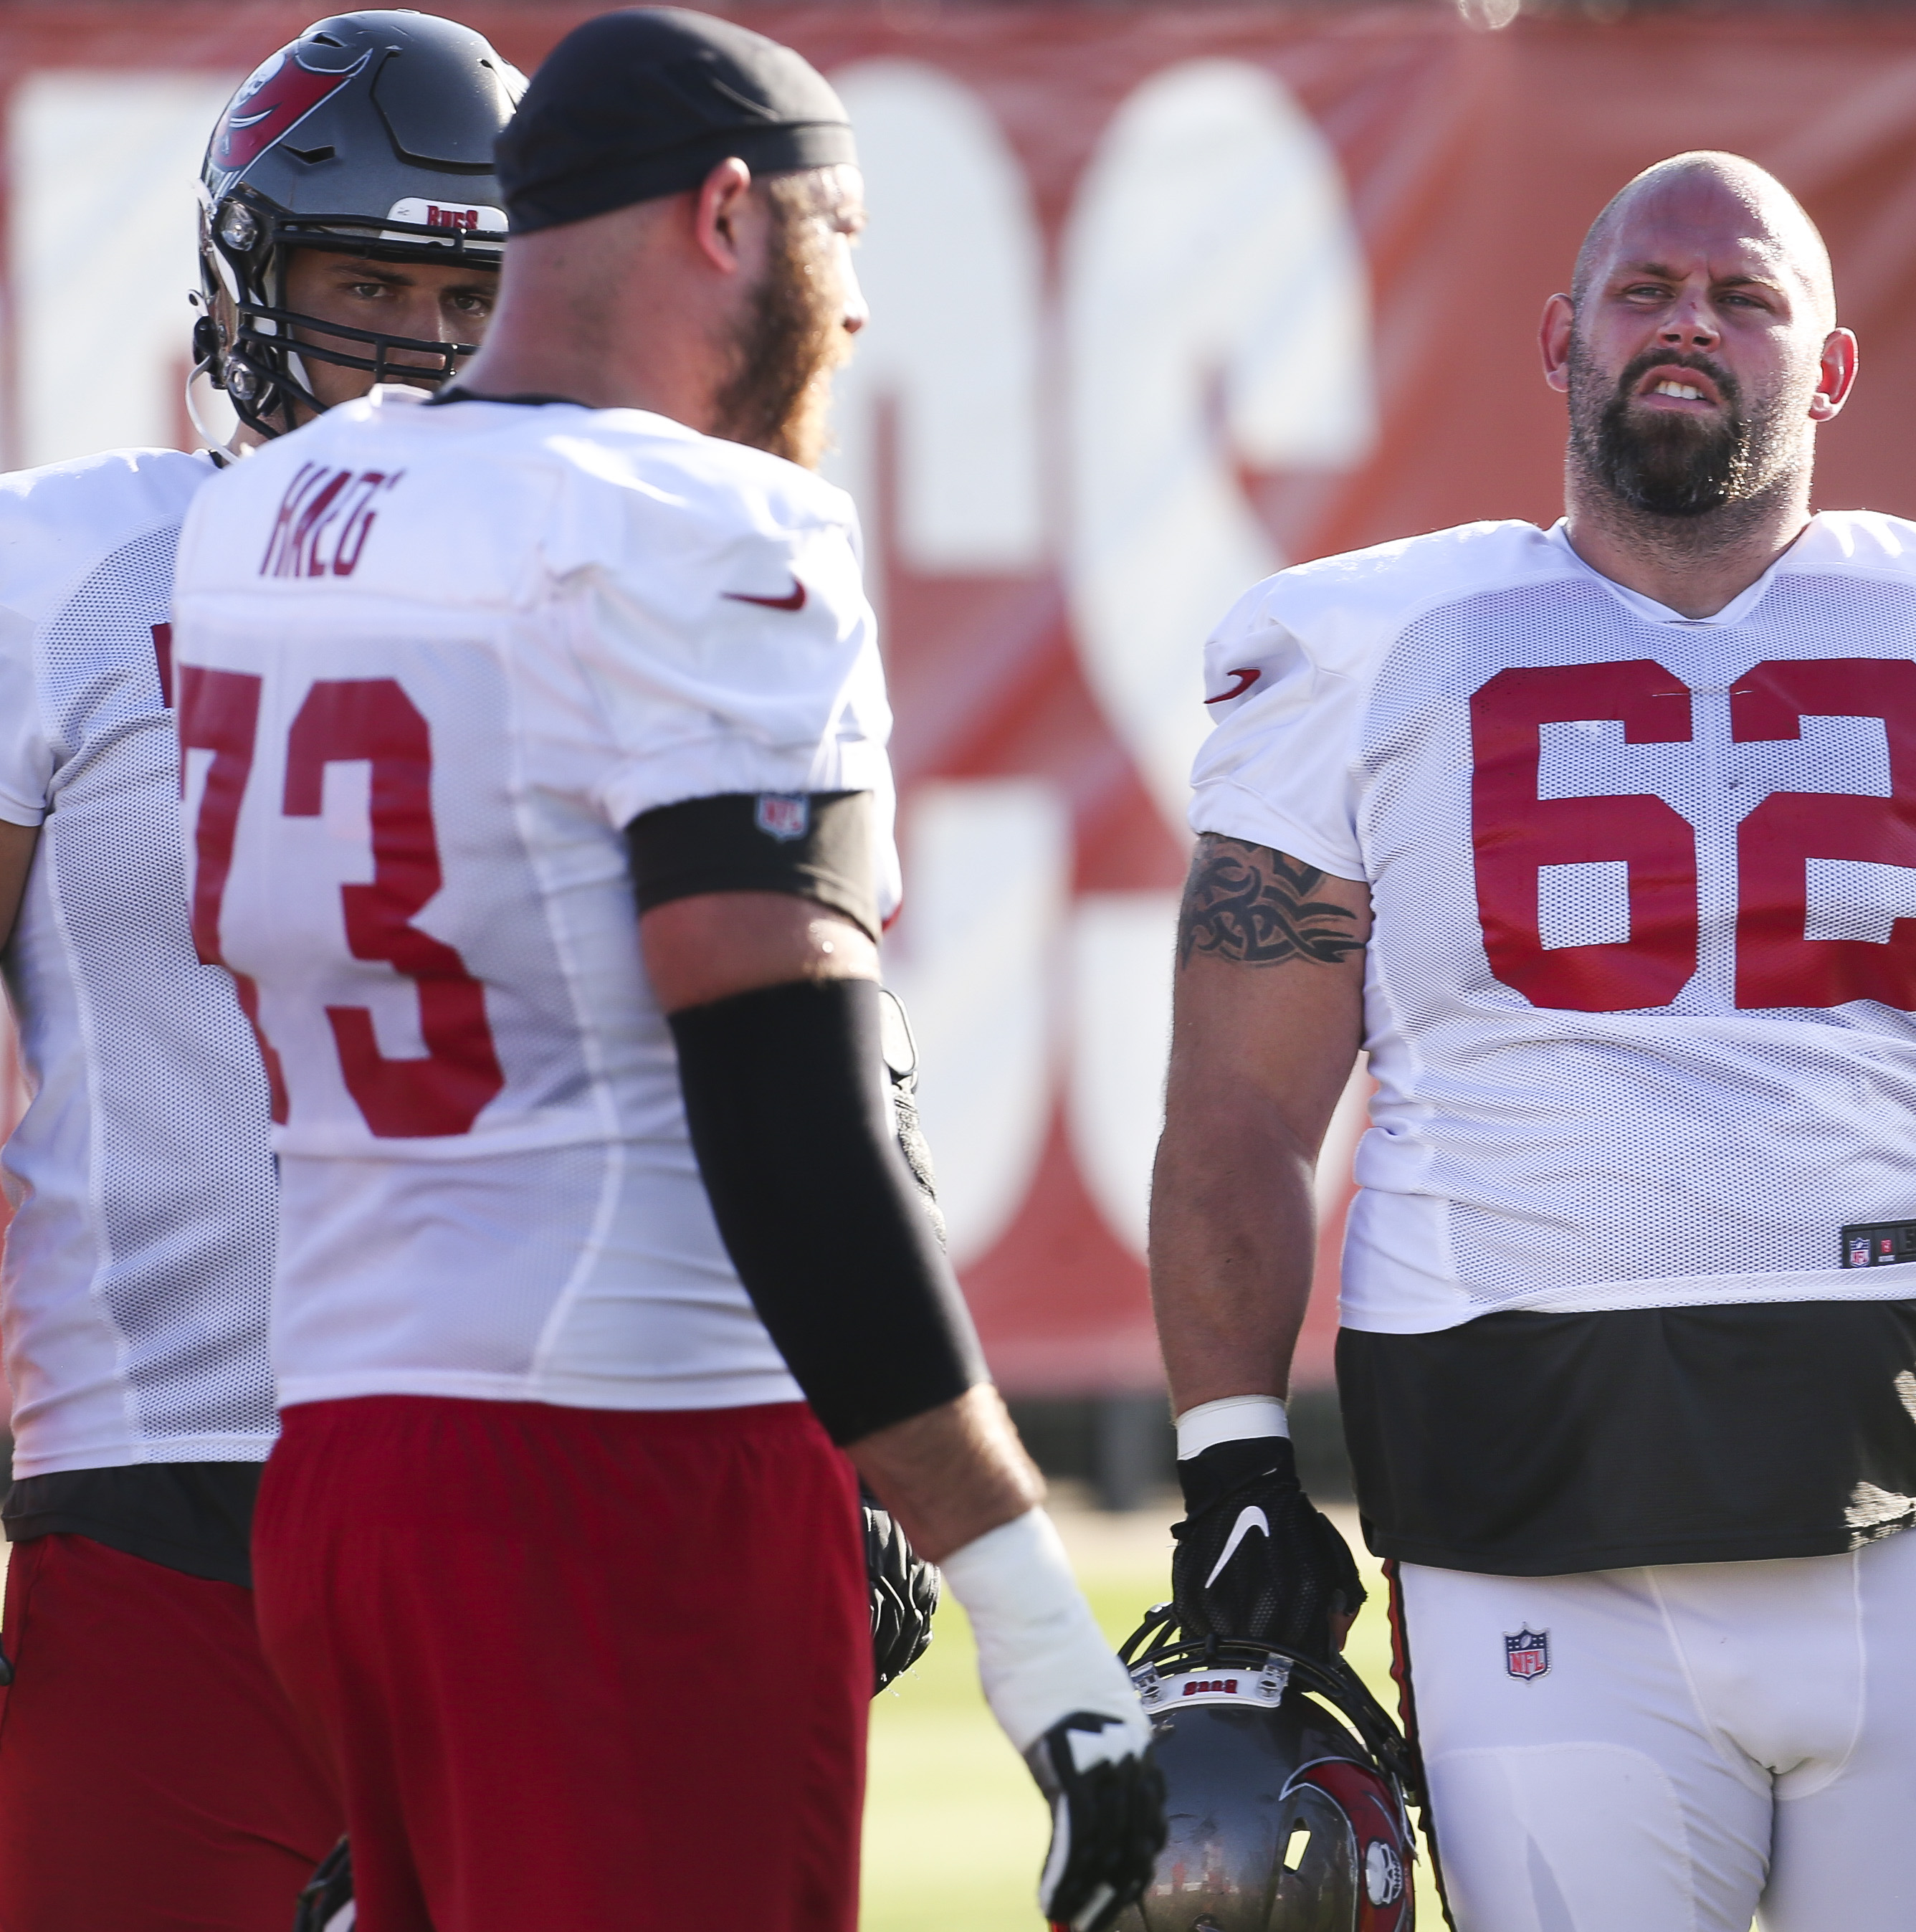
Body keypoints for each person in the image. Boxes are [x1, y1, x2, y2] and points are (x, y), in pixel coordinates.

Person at [1150, 150, 1916, 1931]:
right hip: (1534, 1537)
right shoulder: (1362, 646)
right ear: (1562, 339)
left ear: (1830, 367)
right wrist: (1234, 1453)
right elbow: (1238, 1112)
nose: (1687, 327)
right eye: (1646, 292)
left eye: (1744, 298)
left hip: (1915, 1514)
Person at [168, 12, 1163, 1931]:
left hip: (346, 1471)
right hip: (630, 1470)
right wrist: (1025, 1599)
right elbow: (783, 1101)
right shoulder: (706, 530)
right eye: (845, 232)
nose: (859, 308)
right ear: (728, 214)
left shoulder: (269, 516)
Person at [0, 15, 515, 1928]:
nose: (413, 342)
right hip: (169, 1477)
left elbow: (749, 1051)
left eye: (462, 290)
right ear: (245, 279)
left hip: (525, 1464)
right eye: (363, 278)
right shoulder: (64, 569)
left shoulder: (623, 584)